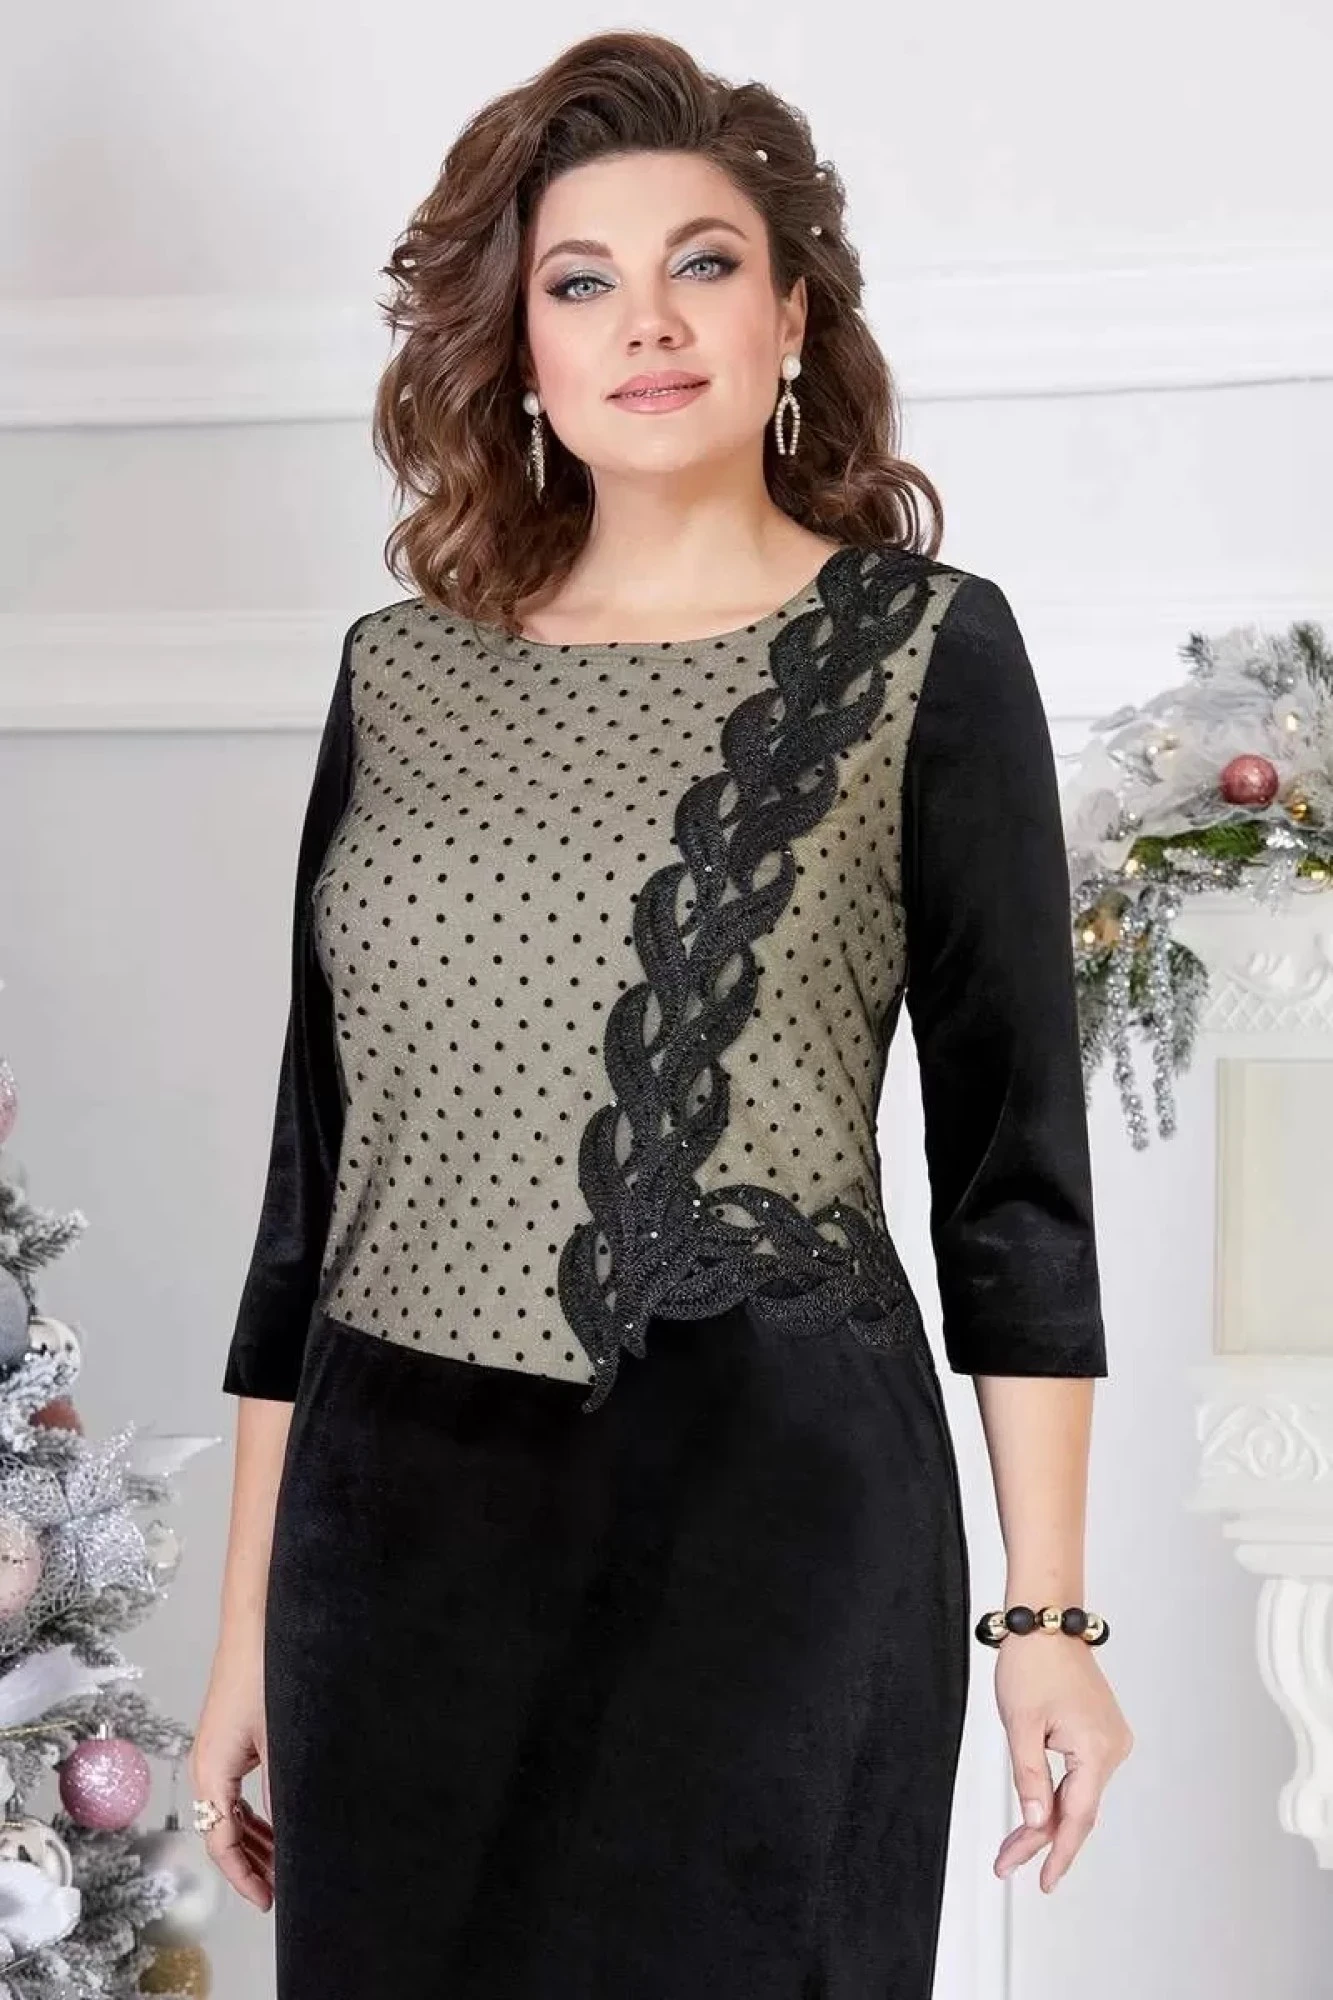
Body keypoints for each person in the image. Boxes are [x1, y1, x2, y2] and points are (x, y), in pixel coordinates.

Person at [191, 28, 1132, 1998]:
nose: (649, 321)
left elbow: (1016, 1183)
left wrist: (1050, 1618)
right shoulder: (395, 675)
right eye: (581, 280)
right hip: (390, 1547)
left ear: (792, 320)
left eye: (705, 263)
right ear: (517, 351)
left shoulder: (924, 652)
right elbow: (311, 1194)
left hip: (765, 1531)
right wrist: (243, 1636)